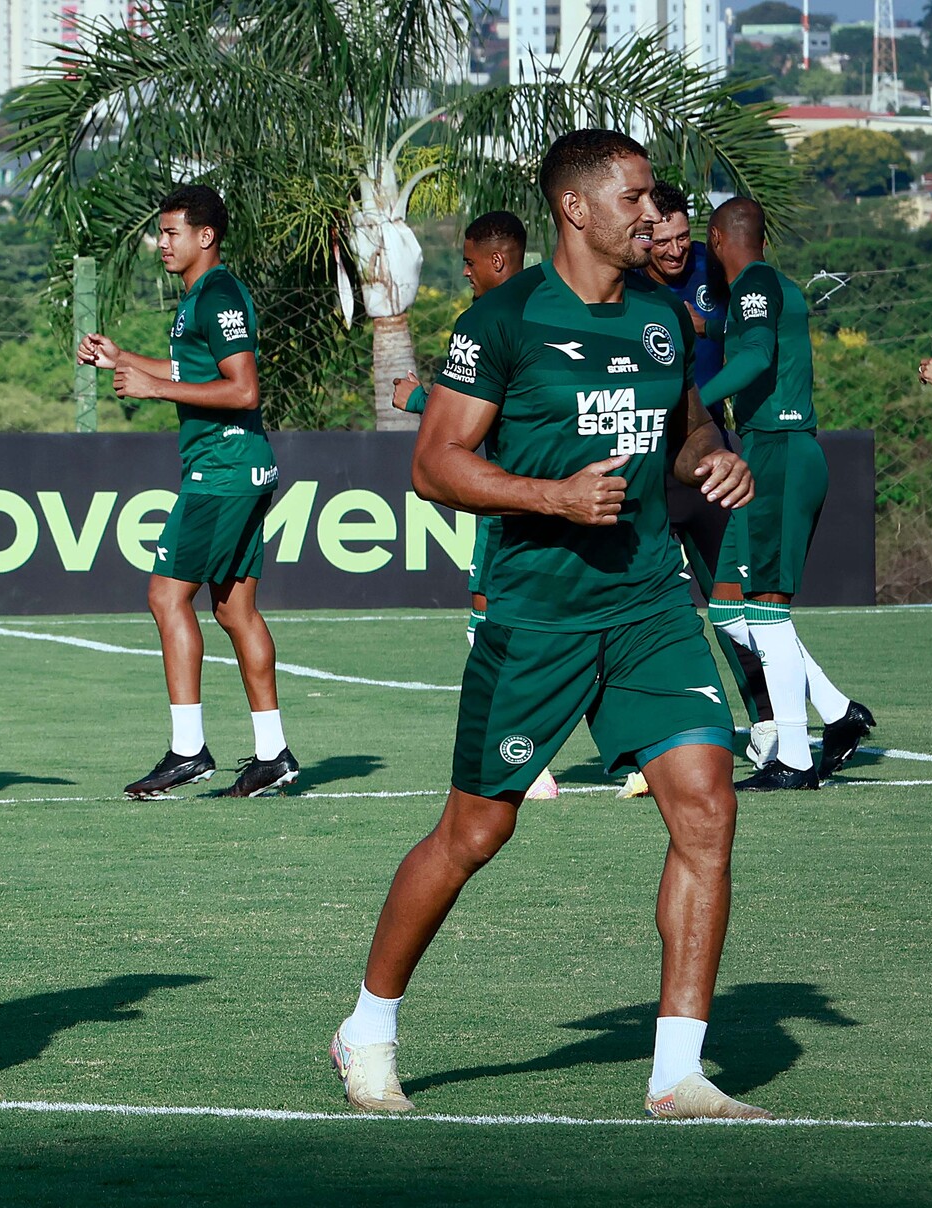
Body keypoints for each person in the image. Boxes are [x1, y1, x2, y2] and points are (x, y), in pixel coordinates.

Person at [329, 129, 764, 1120]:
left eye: (652, 198)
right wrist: (550, 497)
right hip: (538, 618)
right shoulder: (503, 320)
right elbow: (434, 464)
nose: (652, 215)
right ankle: (367, 1026)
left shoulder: (660, 314)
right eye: (634, 198)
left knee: (706, 807)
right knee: (474, 831)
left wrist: (711, 455)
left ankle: (677, 1073)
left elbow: (687, 423)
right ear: (575, 207)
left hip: (650, 604)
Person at [77, 185, 296, 799]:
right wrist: (125, 360)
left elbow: (243, 389)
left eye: (172, 232)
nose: (162, 243)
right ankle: (273, 754)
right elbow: (194, 371)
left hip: (223, 469)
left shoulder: (218, 293)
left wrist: (151, 389)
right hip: (241, 468)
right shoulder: (200, 298)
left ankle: (188, 750)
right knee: (234, 610)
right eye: (162, 232)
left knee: (166, 596)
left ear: (206, 236)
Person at [697, 196, 875, 789]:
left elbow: (756, 354)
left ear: (717, 239)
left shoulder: (755, 284)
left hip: (778, 450)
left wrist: (693, 401)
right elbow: (748, 333)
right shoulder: (773, 287)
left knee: (767, 608)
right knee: (728, 609)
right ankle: (838, 710)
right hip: (769, 453)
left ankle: (795, 759)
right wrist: (704, 327)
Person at [645, 184, 772, 777]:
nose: (674, 250)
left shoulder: (713, 268)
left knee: (732, 598)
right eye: (661, 241)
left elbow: (752, 330)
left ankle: (767, 721)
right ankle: (650, 740)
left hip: (706, 448)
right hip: (644, 455)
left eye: (682, 238)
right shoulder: (625, 279)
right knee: (643, 604)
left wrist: (708, 328)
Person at [393, 210, 526, 645]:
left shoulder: (483, 319)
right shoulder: (553, 305)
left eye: (470, 262)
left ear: (497, 261)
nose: (466, 272)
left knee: (485, 620)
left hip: (508, 496)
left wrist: (417, 400)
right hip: (555, 490)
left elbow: (484, 410)